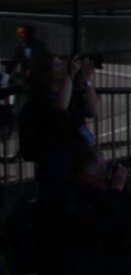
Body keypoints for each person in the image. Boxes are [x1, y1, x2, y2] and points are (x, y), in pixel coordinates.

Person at [18, 54, 97, 193]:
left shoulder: (67, 91)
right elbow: (60, 106)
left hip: (76, 156)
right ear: (45, 72)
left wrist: (88, 81)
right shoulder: (40, 99)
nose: (62, 69)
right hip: (56, 160)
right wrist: (70, 76)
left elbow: (91, 110)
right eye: (57, 66)